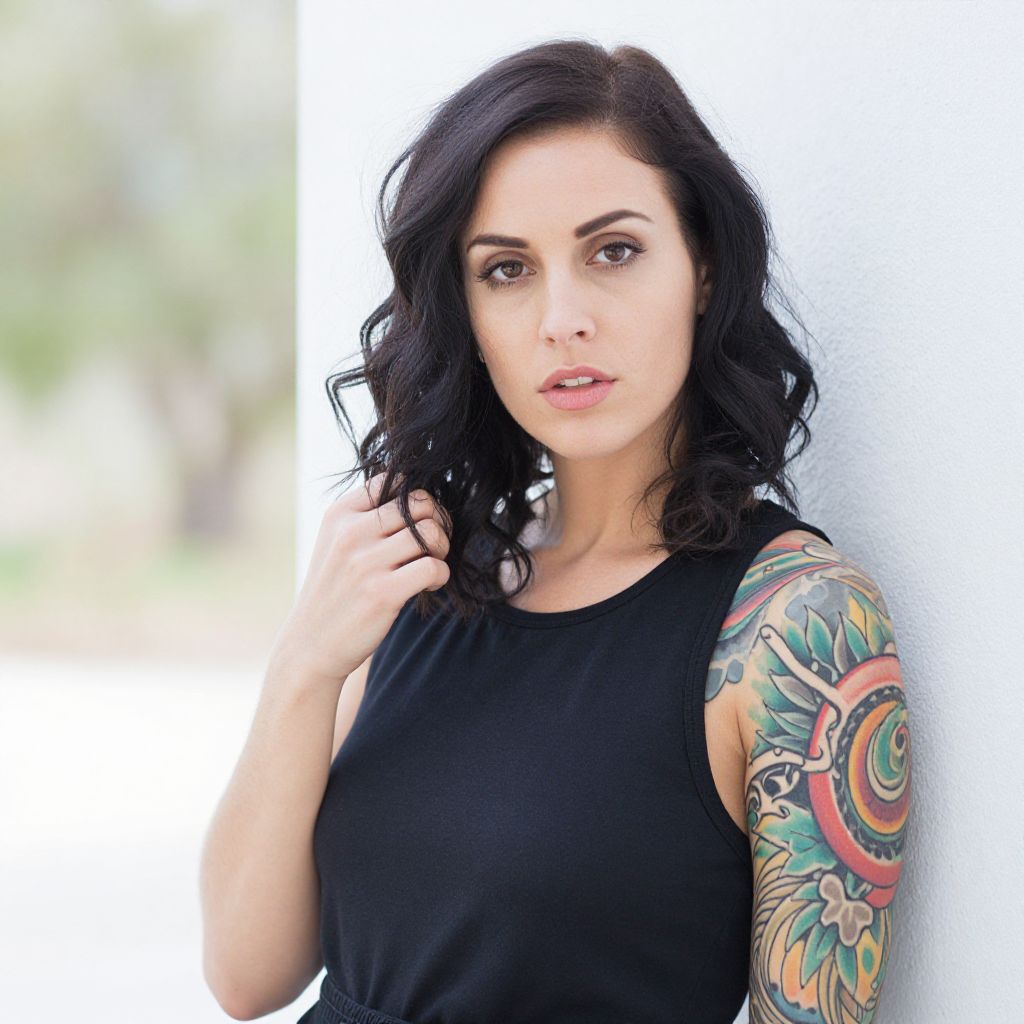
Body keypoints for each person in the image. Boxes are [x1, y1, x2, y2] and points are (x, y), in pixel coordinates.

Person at [200, 38, 911, 1024]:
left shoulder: (795, 627)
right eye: (506, 270)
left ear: (701, 267)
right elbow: (245, 975)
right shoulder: (421, 577)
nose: (560, 317)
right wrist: (302, 668)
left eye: (612, 251)